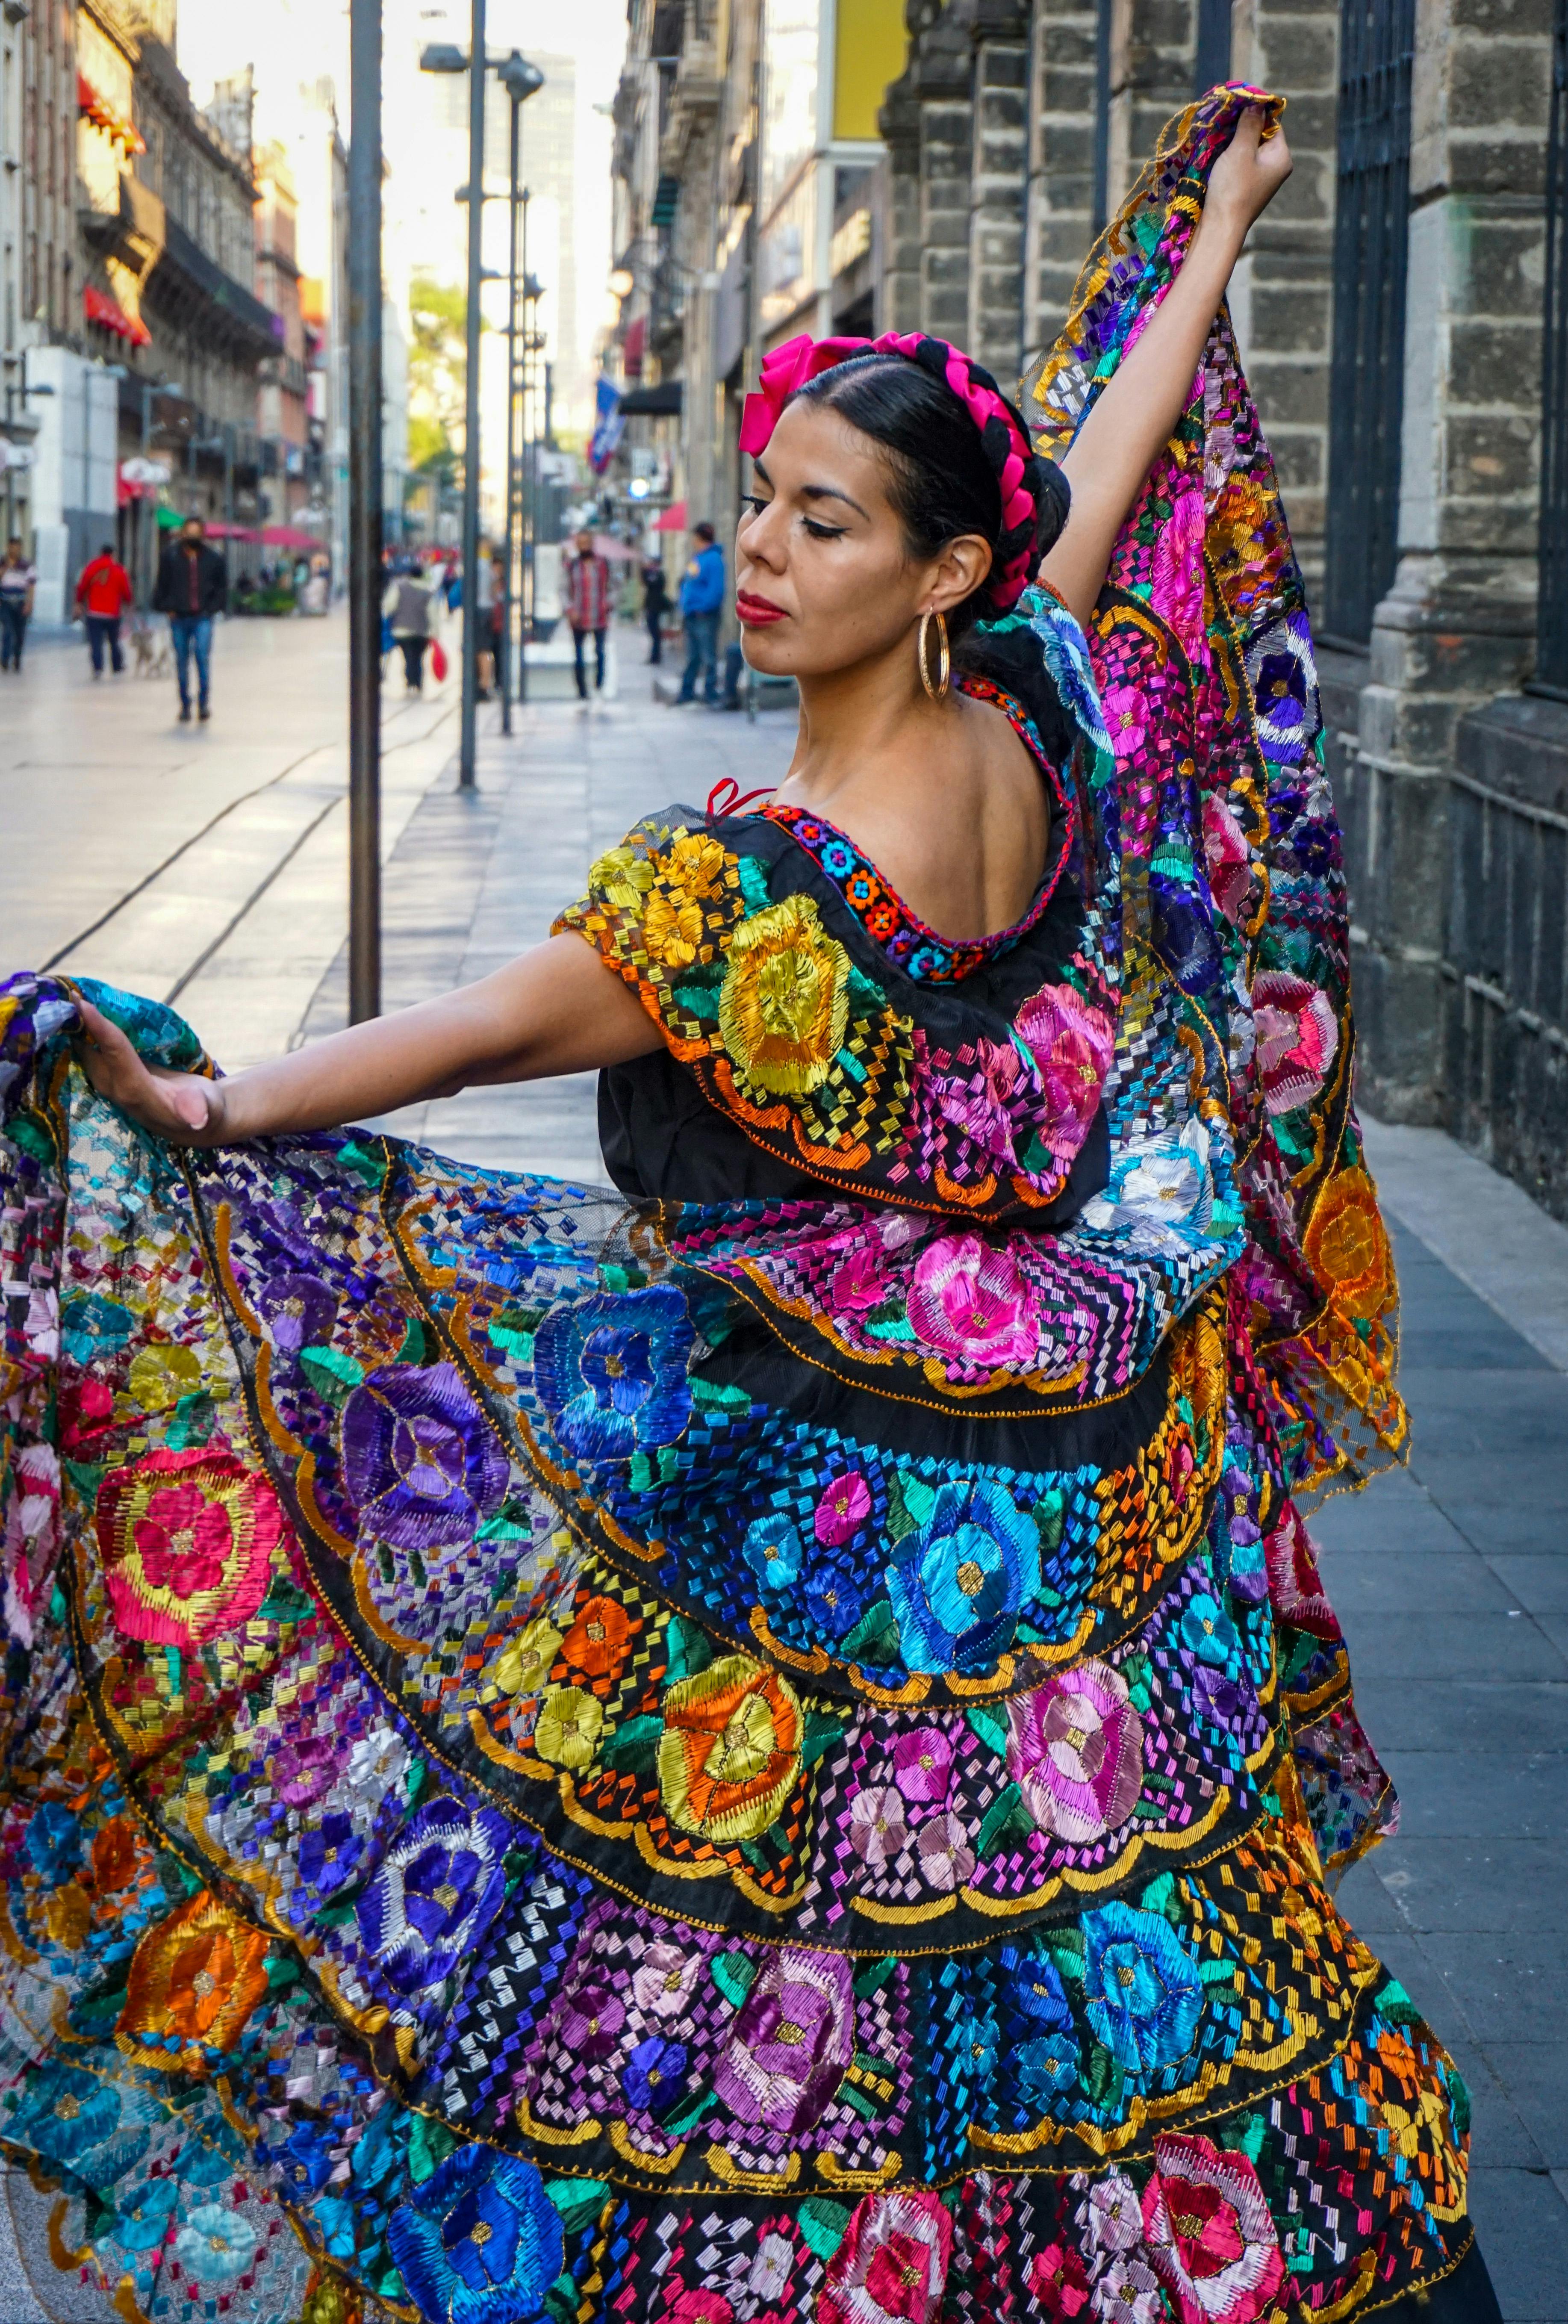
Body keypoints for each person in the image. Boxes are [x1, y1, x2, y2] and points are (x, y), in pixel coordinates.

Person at [0, 98, 1502, 2324]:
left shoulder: (752, 892)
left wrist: (205, 1105)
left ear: (936, 566)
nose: (756, 557)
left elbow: (474, 1030)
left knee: (793, 1915)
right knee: (1061, 1869)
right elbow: (1092, 466)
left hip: (829, 1509)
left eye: (821, 522)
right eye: (758, 511)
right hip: (1042, 1486)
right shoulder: (1027, 707)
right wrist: (1223, 236)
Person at [152, 513, 227, 722]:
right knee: (182, 661)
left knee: (202, 658)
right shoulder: (171, 557)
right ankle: (185, 704)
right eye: (189, 533)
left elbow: (222, 588)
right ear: (183, 533)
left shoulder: (214, 559)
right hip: (179, 617)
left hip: (203, 617)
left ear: (202, 535)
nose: (192, 537)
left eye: (197, 533)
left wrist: (213, 608)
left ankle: (203, 703)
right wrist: (167, 607)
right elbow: (162, 586)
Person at [676, 516, 724, 701]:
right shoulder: (698, 558)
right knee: (692, 656)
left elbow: (716, 589)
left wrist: (703, 607)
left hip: (704, 615)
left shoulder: (713, 560)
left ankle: (710, 691)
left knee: (708, 655)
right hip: (692, 614)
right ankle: (687, 691)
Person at [563, 525, 612, 699]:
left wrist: (609, 601)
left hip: (599, 614)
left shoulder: (603, 563)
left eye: (587, 542)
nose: (584, 546)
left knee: (600, 651)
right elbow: (563, 589)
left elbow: (613, 585)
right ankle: (582, 690)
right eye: (581, 543)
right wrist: (570, 609)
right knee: (578, 654)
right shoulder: (571, 565)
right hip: (578, 616)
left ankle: (599, 683)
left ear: (592, 543)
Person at [74, 541, 136, 677]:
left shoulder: (91, 567)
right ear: (113, 554)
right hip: (113, 613)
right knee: (114, 641)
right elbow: (126, 591)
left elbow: (82, 586)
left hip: (94, 612)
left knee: (96, 641)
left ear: (101, 553)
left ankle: (98, 668)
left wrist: (79, 602)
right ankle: (117, 666)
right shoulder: (119, 570)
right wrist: (129, 603)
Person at [383, 556, 437, 691]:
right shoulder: (428, 592)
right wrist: (435, 632)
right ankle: (417, 681)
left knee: (408, 656)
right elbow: (433, 614)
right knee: (418, 657)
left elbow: (389, 606)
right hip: (422, 631)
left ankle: (410, 682)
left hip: (401, 630)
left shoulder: (400, 587)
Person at [0, 534, 36, 670]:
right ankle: (4, 659)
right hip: (6, 602)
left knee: (20, 633)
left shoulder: (27, 565)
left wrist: (29, 603)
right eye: (12, 548)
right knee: (7, 631)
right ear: (8, 548)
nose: (14, 551)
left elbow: (31, 585)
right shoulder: (3, 562)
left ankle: (17, 658)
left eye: (17, 548)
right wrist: (6, 568)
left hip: (21, 602)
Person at [641, 554, 670, 663]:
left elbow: (650, 584)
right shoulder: (655, 574)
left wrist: (645, 572)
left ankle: (656, 657)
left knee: (655, 633)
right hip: (652, 606)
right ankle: (655, 656)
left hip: (655, 607)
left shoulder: (658, 575)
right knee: (653, 632)